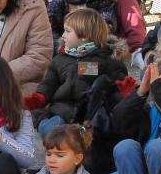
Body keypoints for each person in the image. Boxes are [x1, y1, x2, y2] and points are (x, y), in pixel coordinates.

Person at [28, 8, 127, 137]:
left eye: (68, 31)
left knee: (87, 135)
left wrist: (123, 91)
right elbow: (49, 83)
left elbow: (116, 85)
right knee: (52, 128)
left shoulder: (106, 60)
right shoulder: (60, 59)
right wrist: (40, 97)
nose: (63, 35)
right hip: (60, 113)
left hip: (89, 118)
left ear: (84, 36)